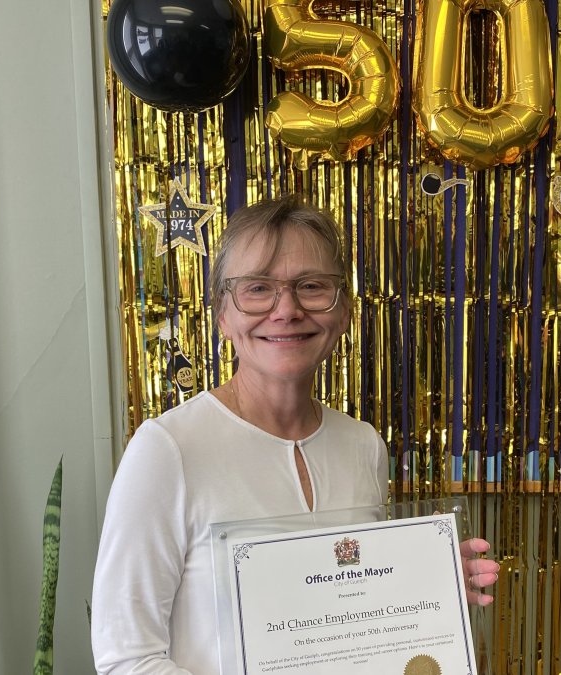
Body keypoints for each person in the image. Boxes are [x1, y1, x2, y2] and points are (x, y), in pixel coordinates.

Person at [90, 197, 500, 674]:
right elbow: (127, 659)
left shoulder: (363, 445)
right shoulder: (168, 449)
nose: (286, 310)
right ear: (223, 315)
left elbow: (345, 616)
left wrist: (425, 587)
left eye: (311, 286)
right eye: (258, 289)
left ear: (342, 311)